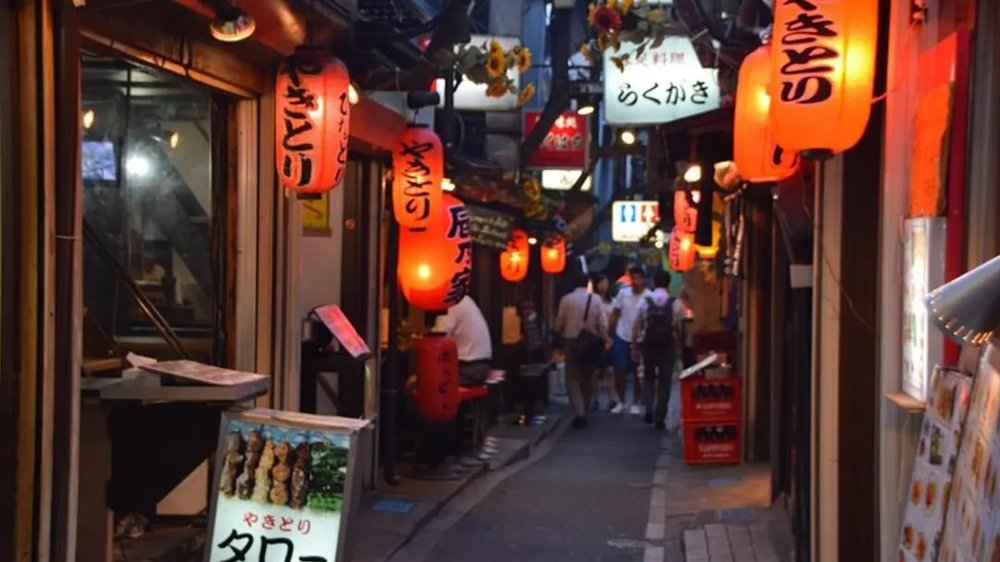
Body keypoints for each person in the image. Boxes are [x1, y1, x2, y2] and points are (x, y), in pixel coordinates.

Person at [555, 273, 610, 429]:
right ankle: (584, 408)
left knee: (573, 378)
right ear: (588, 284)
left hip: (572, 343)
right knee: (587, 377)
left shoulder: (566, 300)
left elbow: (559, 324)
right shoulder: (596, 300)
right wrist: (605, 338)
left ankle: (580, 412)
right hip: (591, 343)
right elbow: (603, 323)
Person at [632, 270, 685, 429]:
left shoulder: (645, 301)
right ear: (668, 284)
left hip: (649, 345)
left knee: (648, 378)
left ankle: (648, 410)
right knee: (665, 381)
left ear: (654, 283)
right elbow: (681, 326)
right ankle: (660, 416)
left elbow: (636, 325)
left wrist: (634, 345)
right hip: (667, 345)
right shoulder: (675, 303)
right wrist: (680, 348)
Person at [610, 266, 651, 415]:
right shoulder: (623, 294)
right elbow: (616, 313)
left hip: (640, 338)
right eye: (633, 278)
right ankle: (621, 401)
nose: (635, 281)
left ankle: (635, 402)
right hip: (622, 334)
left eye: (638, 278)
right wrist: (610, 332)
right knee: (619, 369)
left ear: (643, 279)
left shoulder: (649, 296)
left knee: (637, 372)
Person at [433, 295, 493, 387]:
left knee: (429, 382)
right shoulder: (463, 299)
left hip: (470, 368)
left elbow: (438, 338)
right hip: (480, 366)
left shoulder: (451, 302)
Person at [590, 273, 623, 412]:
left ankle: (611, 399)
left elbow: (616, 318)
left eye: (606, 283)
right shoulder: (592, 300)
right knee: (596, 371)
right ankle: (594, 399)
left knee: (610, 370)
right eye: (601, 282)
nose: (604, 285)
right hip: (596, 338)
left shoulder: (613, 301)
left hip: (610, 337)